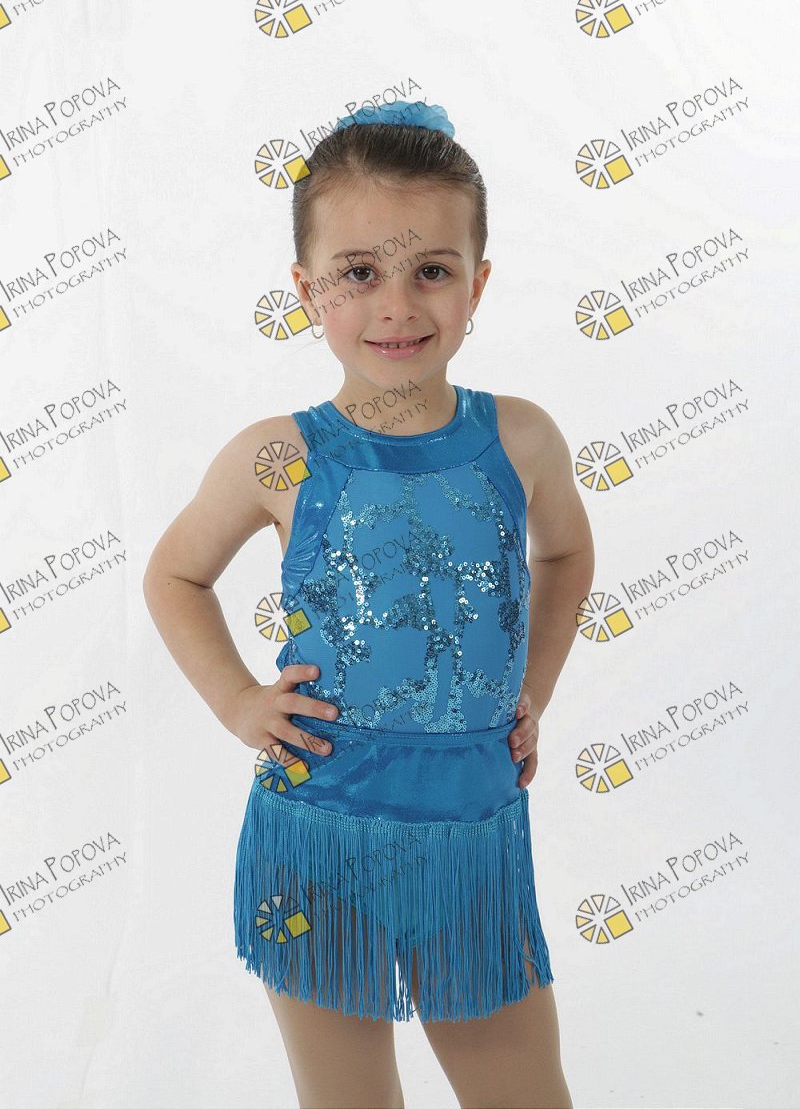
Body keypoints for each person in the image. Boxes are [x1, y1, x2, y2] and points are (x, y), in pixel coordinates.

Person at [142, 99, 592, 1109]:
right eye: (358, 273)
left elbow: (565, 553)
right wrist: (238, 701)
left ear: (477, 285)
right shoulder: (279, 454)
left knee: (524, 1092)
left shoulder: (520, 439)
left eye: (431, 269)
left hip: (474, 835)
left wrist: (532, 687)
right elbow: (174, 574)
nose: (396, 305)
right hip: (318, 837)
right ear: (306, 291)